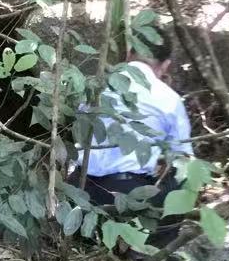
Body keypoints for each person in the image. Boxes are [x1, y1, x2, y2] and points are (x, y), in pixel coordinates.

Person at [77, 58, 193, 247]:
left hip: (79, 186)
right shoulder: (168, 98)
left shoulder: (94, 86)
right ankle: (156, 256)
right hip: (126, 193)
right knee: (182, 182)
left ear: (129, 52)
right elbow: (184, 159)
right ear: (165, 64)